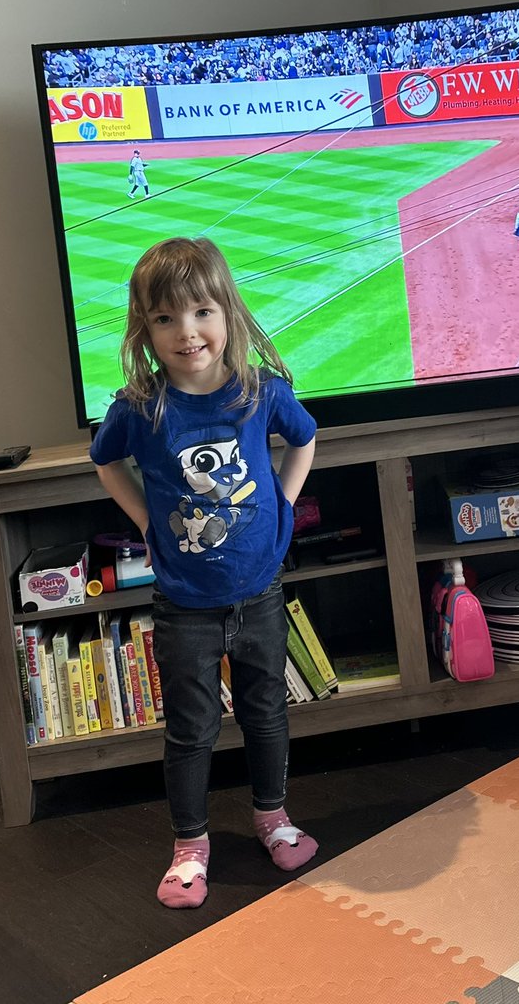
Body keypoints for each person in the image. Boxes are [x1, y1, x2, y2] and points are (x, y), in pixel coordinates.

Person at [90, 237, 318, 909]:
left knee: (267, 713)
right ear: (146, 330)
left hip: (261, 592)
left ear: (228, 314)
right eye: (165, 319)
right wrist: (141, 519)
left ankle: (272, 817)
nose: (187, 332)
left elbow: (304, 438)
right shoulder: (139, 407)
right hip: (184, 603)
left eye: (201, 312)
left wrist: (282, 501)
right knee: (190, 728)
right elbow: (105, 461)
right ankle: (190, 844)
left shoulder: (261, 392)